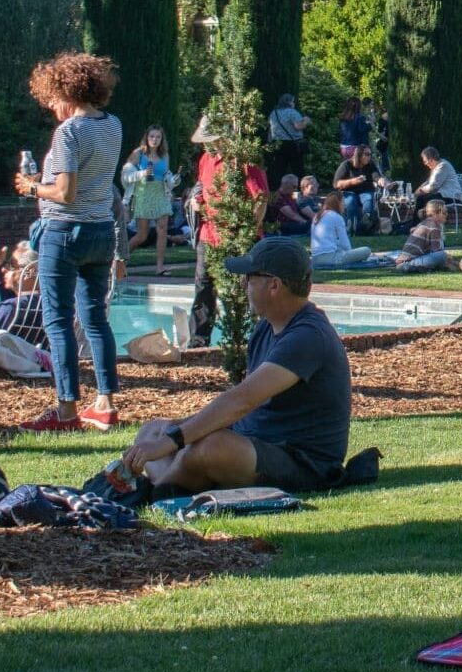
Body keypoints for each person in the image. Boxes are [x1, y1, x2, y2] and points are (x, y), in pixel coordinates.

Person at [122, 238, 351, 494]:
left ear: (274, 285)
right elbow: (238, 407)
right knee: (153, 430)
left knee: (209, 447)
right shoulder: (267, 325)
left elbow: (242, 400)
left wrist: (173, 441)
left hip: (303, 462)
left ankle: (154, 492)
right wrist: (173, 432)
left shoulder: (307, 336)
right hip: (254, 443)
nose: (243, 284)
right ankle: (174, 479)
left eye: (249, 277)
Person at [12, 52, 125, 433]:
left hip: (64, 233)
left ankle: (66, 411)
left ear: (67, 91)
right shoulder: (113, 126)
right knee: (95, 319)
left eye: (53, 101)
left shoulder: (69, 132)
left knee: (57, 322)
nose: (52, 109)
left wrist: (30, 187)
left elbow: (64, 192)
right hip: (100, 232)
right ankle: (105, 404)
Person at [188, 115, 269, 349]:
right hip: (209, 234)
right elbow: (203, 188)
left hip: (238, 235)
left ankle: (254, 339)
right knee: (203, 286)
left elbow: (260, 197)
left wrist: (248, 230)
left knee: (247, 288)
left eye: (211, 140)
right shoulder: (206, 159)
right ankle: (198, 340)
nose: (207, 145)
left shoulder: (243, 161)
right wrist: (197, 201)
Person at [122, 124, 175, 275]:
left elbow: (165, 175)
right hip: (143, 193)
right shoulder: (138, 153)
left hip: (160, 193)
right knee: (142, 235)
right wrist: (141, 174)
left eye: (158, 137)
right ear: (147, 137)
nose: (155, 139)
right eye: (152, 136)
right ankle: (119, 261)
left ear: (161, 139)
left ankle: (159, 267)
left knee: (162, 229)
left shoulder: (164, 155)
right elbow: (125, 175)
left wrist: (172, 180)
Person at [309, 191, 374, 270]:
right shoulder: (336, 217)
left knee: (339, 248)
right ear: (337, 203)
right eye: (342, 202)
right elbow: (345, 244)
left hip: (315, 258)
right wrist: (350, 254)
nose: (344, 205)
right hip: (330, 259)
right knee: (366, 250)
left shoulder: (317, 216)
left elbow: (333, 242)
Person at [332, 144, 381, 233]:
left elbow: (376, 176)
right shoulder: (346, 165)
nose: (369, 157)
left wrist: (381, 180)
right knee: (350, 202)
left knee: (368, 199)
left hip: (366, 190)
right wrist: (352, 181)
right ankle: (351, 227)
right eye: (367, 154)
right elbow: (336, 184)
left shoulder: (370, 164)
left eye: (370, 154)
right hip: (350, 191)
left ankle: (366, 223)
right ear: (359, 155)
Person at [393, 200, 450, 273]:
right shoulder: (434, 227)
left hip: (404, 260)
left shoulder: (424, 223)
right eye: (444, 213)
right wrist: (448, 259)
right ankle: (412, 267)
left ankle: (421, 268)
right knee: (442, 255)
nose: (447, 215)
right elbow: (436, 251)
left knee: (442, 256)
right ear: (435, 214)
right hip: (409, 262)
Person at [266, 93, 311, 186]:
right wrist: (306, 120)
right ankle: (301, 189)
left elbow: (269, 129)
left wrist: (269, 143)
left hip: (277, 144)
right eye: (293, 101)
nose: (294, 103)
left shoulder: (273, 113)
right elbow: (298, 126)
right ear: (289, 102)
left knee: (279, 169)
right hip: (293, 145)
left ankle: (277, 191)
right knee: (298, 169)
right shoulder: (292, 112)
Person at [412, 146, 458, 213]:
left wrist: (421, 190)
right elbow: (428, 182)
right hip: (442, 195)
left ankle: (417, 222)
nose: (425, 164)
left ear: (431, 159)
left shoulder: (443, 166)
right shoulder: (436, 167)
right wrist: (418, 190)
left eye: (425, 161)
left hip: (451, 196)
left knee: (421, 199)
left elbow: (433, 186)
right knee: (421, 198)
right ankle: (418, 221)